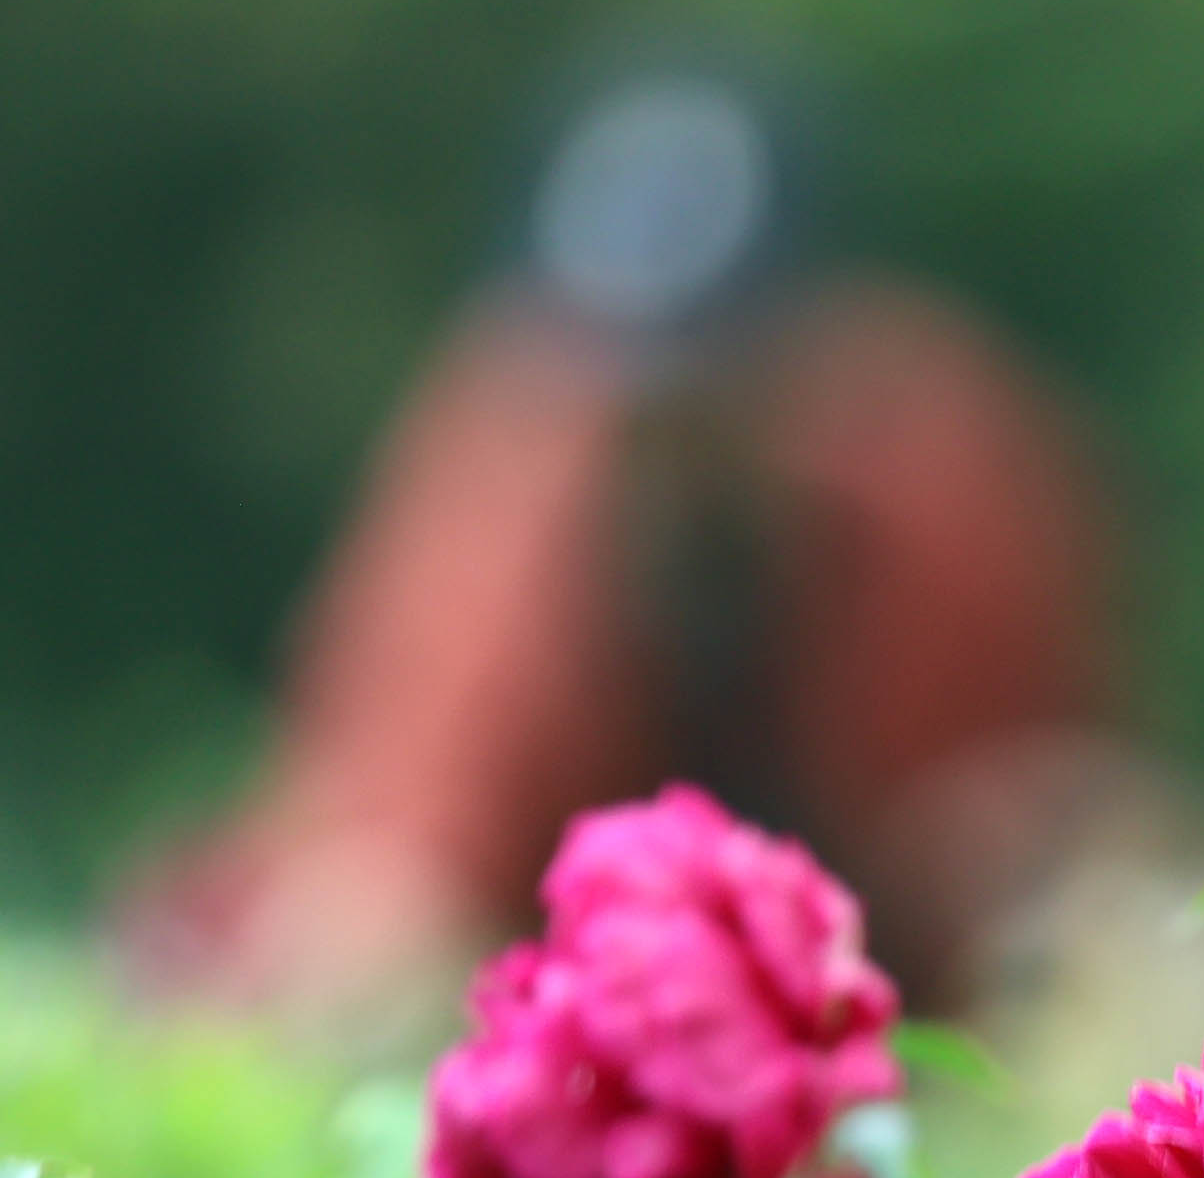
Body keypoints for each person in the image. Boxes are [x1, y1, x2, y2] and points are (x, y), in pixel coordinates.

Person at [141, 74, 1129, 1009]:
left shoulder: (931, 464)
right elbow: (407, 834)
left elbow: (1029, 797)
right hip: (562, 1010)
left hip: (897, 993)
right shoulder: (507, 461)